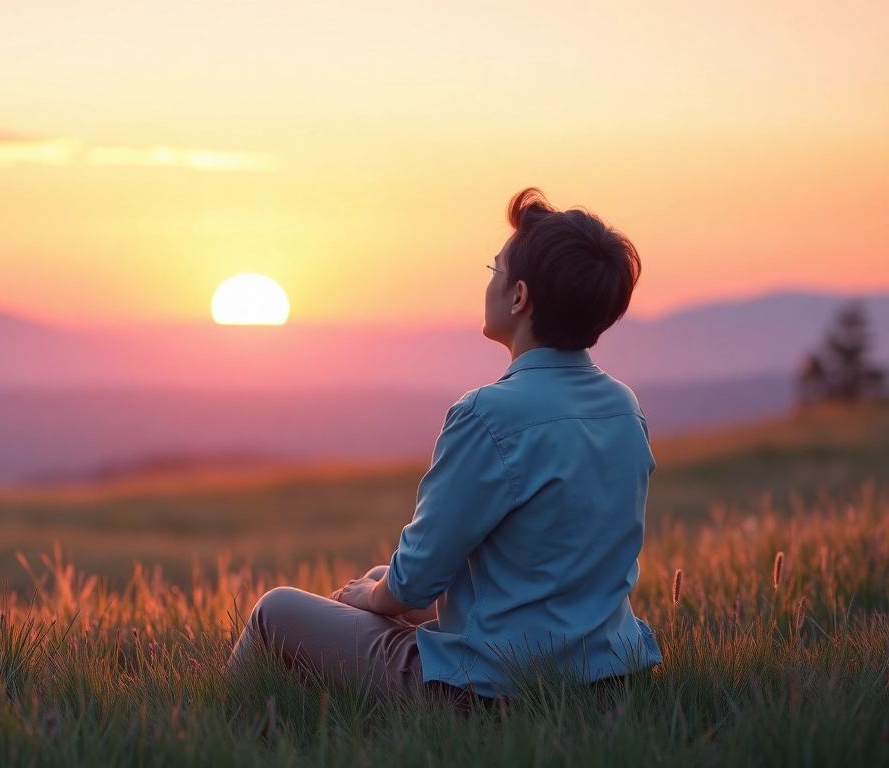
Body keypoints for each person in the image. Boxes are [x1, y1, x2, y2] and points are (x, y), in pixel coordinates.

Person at [226, 188, 662, 706]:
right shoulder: (624, 407)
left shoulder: (489, 415)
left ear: (519, 296)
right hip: (609, 679)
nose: (490, 282)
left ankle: (225, 726)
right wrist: (380, 590)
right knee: (375, 584)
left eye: (495, 269)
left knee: (276, 611)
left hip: (492, 693)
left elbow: (415, 582)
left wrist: (374, 597)